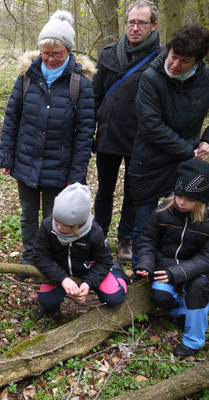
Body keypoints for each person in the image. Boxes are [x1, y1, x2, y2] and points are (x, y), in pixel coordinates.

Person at [0, 10, 95, 279]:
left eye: (57, 53)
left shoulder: (80, 84)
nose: (50, 58)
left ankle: (53, 264)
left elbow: (85, 132)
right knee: (29, 216)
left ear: (68, 51)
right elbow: (12, 117)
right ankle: (30, 259)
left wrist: (76, 175)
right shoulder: (27, 77)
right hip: (26, 161)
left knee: (55, 219)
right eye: (45, 52)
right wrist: (6, 156)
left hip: (60, 167)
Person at [129, 23, 209, 275]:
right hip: (149, 163)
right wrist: (189, 151)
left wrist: (207, 139)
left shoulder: (206, 80)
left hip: (186, 168)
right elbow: (151, 125)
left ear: (197, 61)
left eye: (184, 61)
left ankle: (175, 277)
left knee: (182, 224)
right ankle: (141, 277)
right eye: (173, 57)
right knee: (144, 225)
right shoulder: (151, 77)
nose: (175, 65)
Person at [92, 0, 160, 262]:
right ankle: (99, 234)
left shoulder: (161, 58)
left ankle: (125, 239)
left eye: (141, 23)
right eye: (131, 22)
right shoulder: (109, 53)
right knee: (104, 190)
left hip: (141, 138)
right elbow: (96, 95)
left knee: (134, 192)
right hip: (108, 135)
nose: (135, 28)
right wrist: (91, 129)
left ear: (153, 26)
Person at [135, 159, 209, 358]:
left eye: (190, 200)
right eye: (179, 196)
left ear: (202, 201)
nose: (182, 202)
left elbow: (206, 257)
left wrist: (178, 273)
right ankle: (183, 312)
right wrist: (146, 263)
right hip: (165, 267)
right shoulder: (163, 212)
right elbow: (147, 240)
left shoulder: (207, 222)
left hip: (197, 272)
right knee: (160, 296)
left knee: (198, 289)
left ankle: (193, 340)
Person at [32, 184, 128, 319]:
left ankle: (118, 273)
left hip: (89, 270)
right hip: (61, 270)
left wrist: (88, 283)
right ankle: (52, 300)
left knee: (115, 298)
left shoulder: (94, 232)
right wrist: (62, 279)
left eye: (64, 225)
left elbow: (103, 261)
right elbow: (40, 256)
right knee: (47, 302)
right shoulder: (48, 226)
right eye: (56, 220)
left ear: (79, 225)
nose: (57, 226)